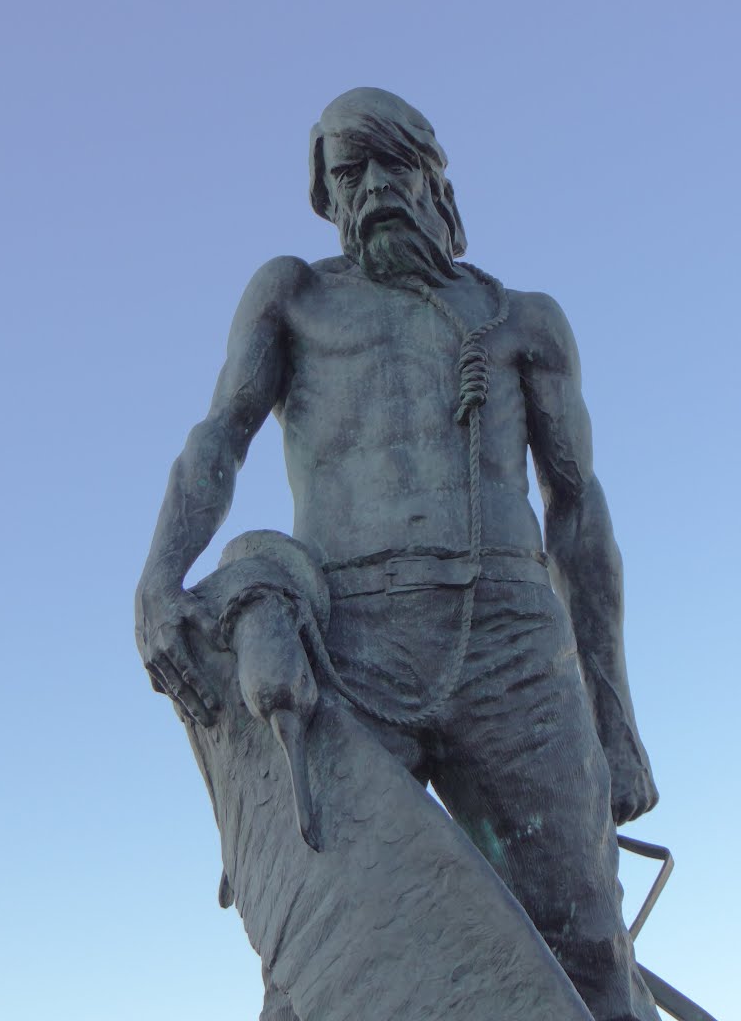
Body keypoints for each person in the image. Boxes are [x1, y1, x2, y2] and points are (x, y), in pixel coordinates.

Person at [135, 87, 659, 1021]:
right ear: (328, 196)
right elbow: (219, 436)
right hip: (351, 643)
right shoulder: (291, 295)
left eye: (393, 166)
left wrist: (614, 720)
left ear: (432, 177)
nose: (374, 187)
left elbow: (578, 517)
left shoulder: (524, 320)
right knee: (323, 961)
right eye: (350, 172)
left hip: (512, 646)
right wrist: (157, 579)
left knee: (586, 940)